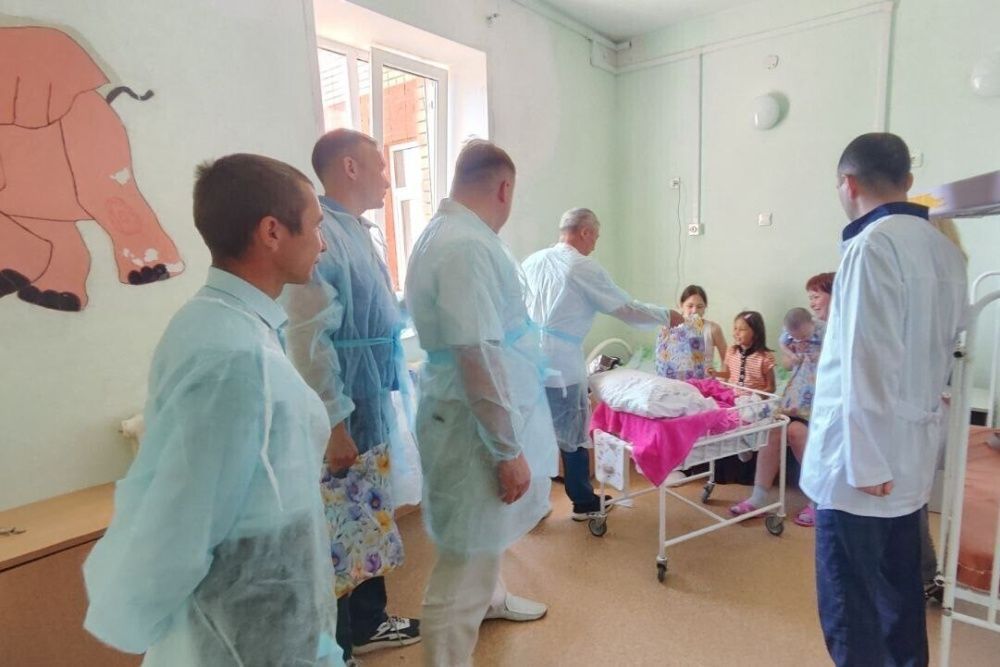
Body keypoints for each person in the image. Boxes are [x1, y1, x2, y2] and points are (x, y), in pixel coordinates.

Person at [83, 154, 343, 666]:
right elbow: (186, 515)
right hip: (247, 621)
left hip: (267, 599)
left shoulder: (222, 322)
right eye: (315, 226)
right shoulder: (234, 356)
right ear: (272, 232)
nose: (323, 242)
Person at [800, 132, 966, 666]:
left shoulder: (872, 246)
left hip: (861, 470)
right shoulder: (944, 250)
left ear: (847, 184)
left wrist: (867, 461)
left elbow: (863, 360)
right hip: (910, 457)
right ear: (908, 181)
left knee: (852, 611)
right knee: (900, 599)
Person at [405, 140, 556, 667]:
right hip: (473, 425)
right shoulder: (464, 247)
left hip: (465, 414)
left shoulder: (451, 233)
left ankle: (492, 601)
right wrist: (507, 450)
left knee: (480, 543)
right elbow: (477, 357)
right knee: (462, 567)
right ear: (504, 188)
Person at [283, 129, 420, 661]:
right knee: (342, 529)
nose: (387, 178)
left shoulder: (356, 231)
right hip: (346, 407)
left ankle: (369, 621)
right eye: (380, 167)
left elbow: (379, 307)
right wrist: (334, 422)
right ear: (350, 167)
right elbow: (309, 339)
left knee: (368, 516)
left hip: (369, 395)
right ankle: (342, 643)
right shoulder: (321, 237)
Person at [521, 207, 681, 520]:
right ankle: (583, 501)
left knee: (532, 433)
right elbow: (625, 308)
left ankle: (532, 506)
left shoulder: (533, 261)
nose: (595, 244)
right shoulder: (581, 267)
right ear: (584, 232)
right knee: (572, 434)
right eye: (595, 236)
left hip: (526, 360)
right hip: (560, 364)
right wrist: (665, 316)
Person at [729, 306, 824, 523]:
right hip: (796, 399)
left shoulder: (828, 331)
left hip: (820, 403)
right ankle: (758, 497)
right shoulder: (792, 333)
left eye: (817, 295)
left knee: (796, 432)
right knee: (773, 430)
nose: (814, 301)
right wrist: (793, 356)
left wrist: (818, 356)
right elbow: (787, 365)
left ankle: (819, 499)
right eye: (811, 296)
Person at [656, 285, 727, 379]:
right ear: (681, 305)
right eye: (690, 306)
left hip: (703, 384)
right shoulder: (670, 327)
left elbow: (726, 360)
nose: (694, 311)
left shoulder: (713, 329)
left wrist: (723, 381)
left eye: (699, 307)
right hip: (676, 382)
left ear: (705, 307)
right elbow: (663, 360)